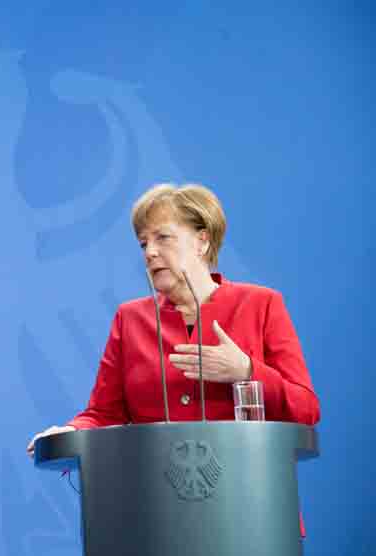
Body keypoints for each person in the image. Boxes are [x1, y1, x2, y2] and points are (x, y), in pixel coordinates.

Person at [28, 183, 320, 454]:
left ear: (201, 242)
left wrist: (246, 370)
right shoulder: (129, 319)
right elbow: (104, 413)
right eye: (143, 244)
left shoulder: (261, 304)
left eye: (163, 238)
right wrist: (70, 431)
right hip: (158, 497)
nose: (150, 252)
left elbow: (306, 410)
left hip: (250, 491)